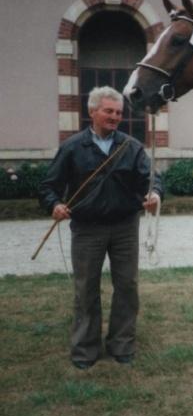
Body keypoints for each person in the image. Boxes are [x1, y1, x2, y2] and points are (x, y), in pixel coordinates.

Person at [39, 86, 162, 370]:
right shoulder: (72, 147)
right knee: (86, 290)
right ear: (92, 112)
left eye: (119, 112)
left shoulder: (131, 146)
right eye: (108, 111)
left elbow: (151, 180)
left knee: (127, 287)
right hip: (87, 229)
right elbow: (48, 187)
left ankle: (122, 345)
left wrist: (155, 194)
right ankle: (85, 350)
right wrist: (54, 205)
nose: (115, 117)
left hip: (125, 227)